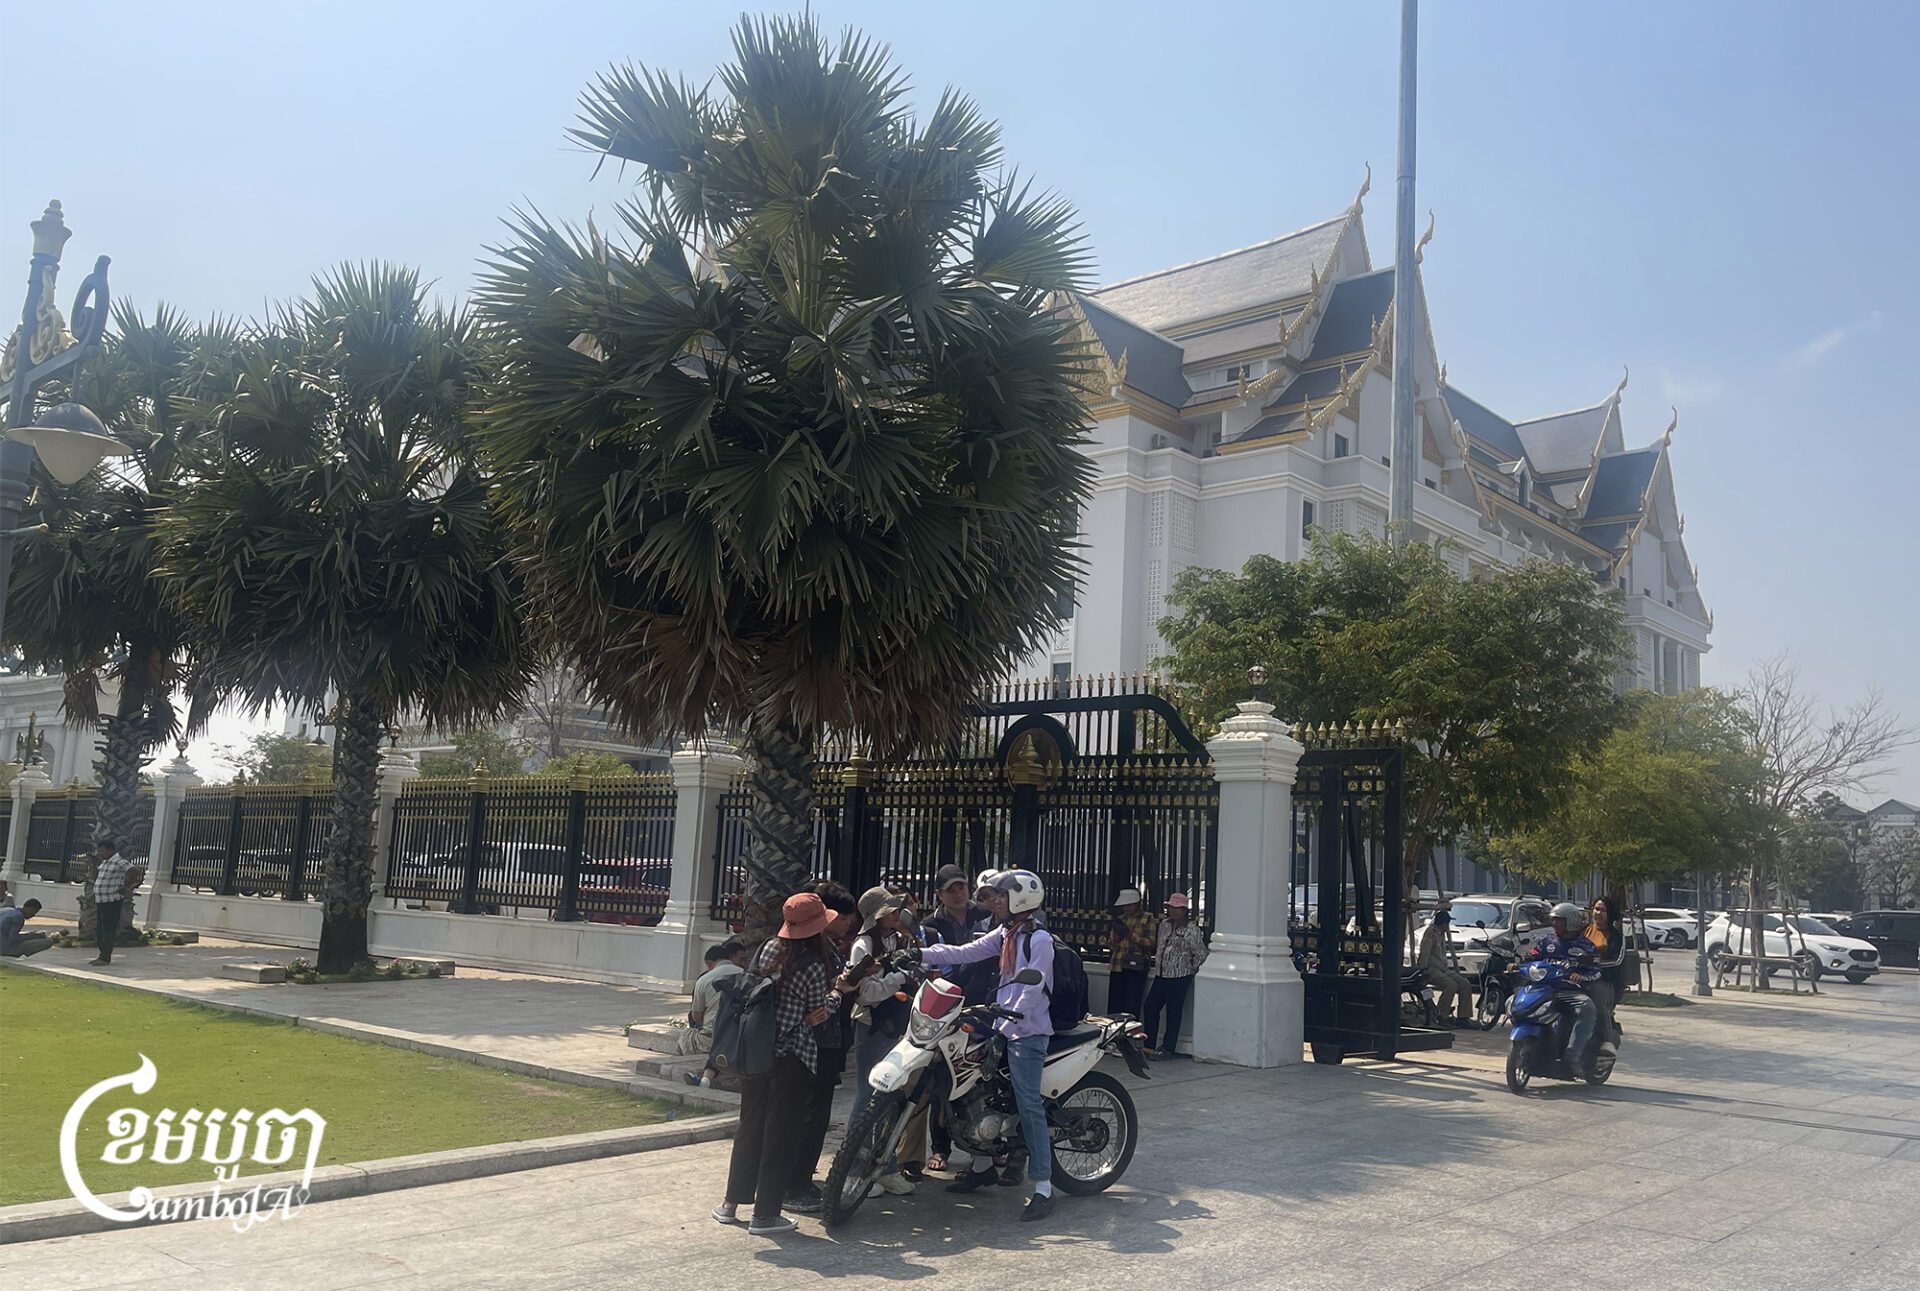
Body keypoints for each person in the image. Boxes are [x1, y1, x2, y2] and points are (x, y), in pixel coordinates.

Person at [913, 869, 1059, 1224]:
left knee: (1028, 1104)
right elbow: (964, 952)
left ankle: (1044, 1187)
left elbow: (1031, 992)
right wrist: (919, 953)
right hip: (999, 1025)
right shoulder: (1007, 933)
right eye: (993, 896)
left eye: (1001, 896)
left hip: (1026, 1032)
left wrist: (1005, 1029)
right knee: (968, 1090)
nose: (994, 902)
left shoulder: (1039, 940)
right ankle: (981, 1167)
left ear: (1021, 898)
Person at [714, 892, 835, 1237]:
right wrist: (838, 995)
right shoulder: (813, 965)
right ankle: (765, 1215)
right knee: (780, 1133)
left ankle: (731, 1204)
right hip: (791, 1055)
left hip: (757, 1049)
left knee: (750, 1126)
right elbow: (817, 1013)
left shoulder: (769, 948)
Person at [785, 881, 857, 1214]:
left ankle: (797, 1178)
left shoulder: (805, 948)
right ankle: (795, 1184)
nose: (847, 923)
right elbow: (817, 1008)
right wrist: (839, 990)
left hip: (820, 1043)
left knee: (810, 1112)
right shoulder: (813, 954)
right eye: (842, 917)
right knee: (811, 1114)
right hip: (816, 1043)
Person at [843, 885, 916, 1197]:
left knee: (890, 1099)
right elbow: (867, 993)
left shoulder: (898, 940)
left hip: (896, 1027)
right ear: (876, 915)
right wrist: (899, 978)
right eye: (890, 910)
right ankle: (853, 1169)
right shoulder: (863, 945)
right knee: (866, 1098)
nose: (897, 914)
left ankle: (886, 1168)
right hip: (872, 1028)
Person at [921, 864, 992, 1171]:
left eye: (961, 886)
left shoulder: (985, 915)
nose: (958, 893)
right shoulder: (931, 926)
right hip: (947, 1008)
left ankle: (986, 1147)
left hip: (984, 1005)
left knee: (984, 1078)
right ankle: (940, 1148)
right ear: (939, 894)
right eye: (950, 889)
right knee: (942, 1080)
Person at [1530, 901, 1601, 1073]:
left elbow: (1596, 970)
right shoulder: (1546, 941)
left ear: (1571, 922)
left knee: (1587, 1007)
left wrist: (1582, 977)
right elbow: (1532, 958)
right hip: (1544, 988)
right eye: (1554, 920)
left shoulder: (1585, 945)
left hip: (1569, 990)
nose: (1555, 924)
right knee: (1515, 1001)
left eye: (1560, 920)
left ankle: (1572, 1057)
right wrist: (1516, 965)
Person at [1141, 893, 1208, 1057]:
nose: (1174, 911)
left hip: (1179, 977)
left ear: (1185, 910)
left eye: (1178, 908)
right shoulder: (1165, 924)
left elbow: (1201, 953)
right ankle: (1149, 1045)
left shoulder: (1191, 929)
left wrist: (1189, 969)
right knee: (1150, 1007)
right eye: (1171, 908)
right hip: (1161, 974)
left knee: (1173, 1013)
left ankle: (1168, 1047)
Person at [681, 939, 749, 1070]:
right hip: (740, 1036)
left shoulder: (705, 979)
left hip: (714, 1037)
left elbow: (696, 1016)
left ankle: (689, 1068)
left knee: (686, 1037)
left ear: (709, 963)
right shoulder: (746, 975)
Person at [1413, 901, 1475, 1027]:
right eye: (1447, 923)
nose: (1448, 926)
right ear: (1442, 923)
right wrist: (1423, 971)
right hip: (1431, 969)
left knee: (1465, 984)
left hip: (1443, 969)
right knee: (1451, 985)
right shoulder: (1431, 933)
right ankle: (1441, 1015)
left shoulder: (1441, 934)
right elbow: (1425, 953)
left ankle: (1463, 1017)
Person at [88, 840, 139, 966]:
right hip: (101, 900)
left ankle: (105, 957)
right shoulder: (105, 862)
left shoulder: (118, 861)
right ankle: (101, 954)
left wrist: (126, 886)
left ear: (110, 850)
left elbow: (134, 870)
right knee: (100, 929)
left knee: (107, 929)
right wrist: (93, 864)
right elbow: (96, 877)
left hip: (112, 900)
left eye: (102, 851)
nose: (100, 853)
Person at [1108, 888, 1155, 1018]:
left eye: (1129, 905)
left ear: (1137, 903)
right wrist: (1115, 938)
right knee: (1114, 1006)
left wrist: (1130, 935)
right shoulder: (1120, 919)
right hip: (1117, 965)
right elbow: (1111, 944)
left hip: (1135, 966)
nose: (1126, 908)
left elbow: (1150, 943)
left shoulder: (1147, 918)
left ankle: (1130, 1030)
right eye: (1124, 905)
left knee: (1132, 1005)